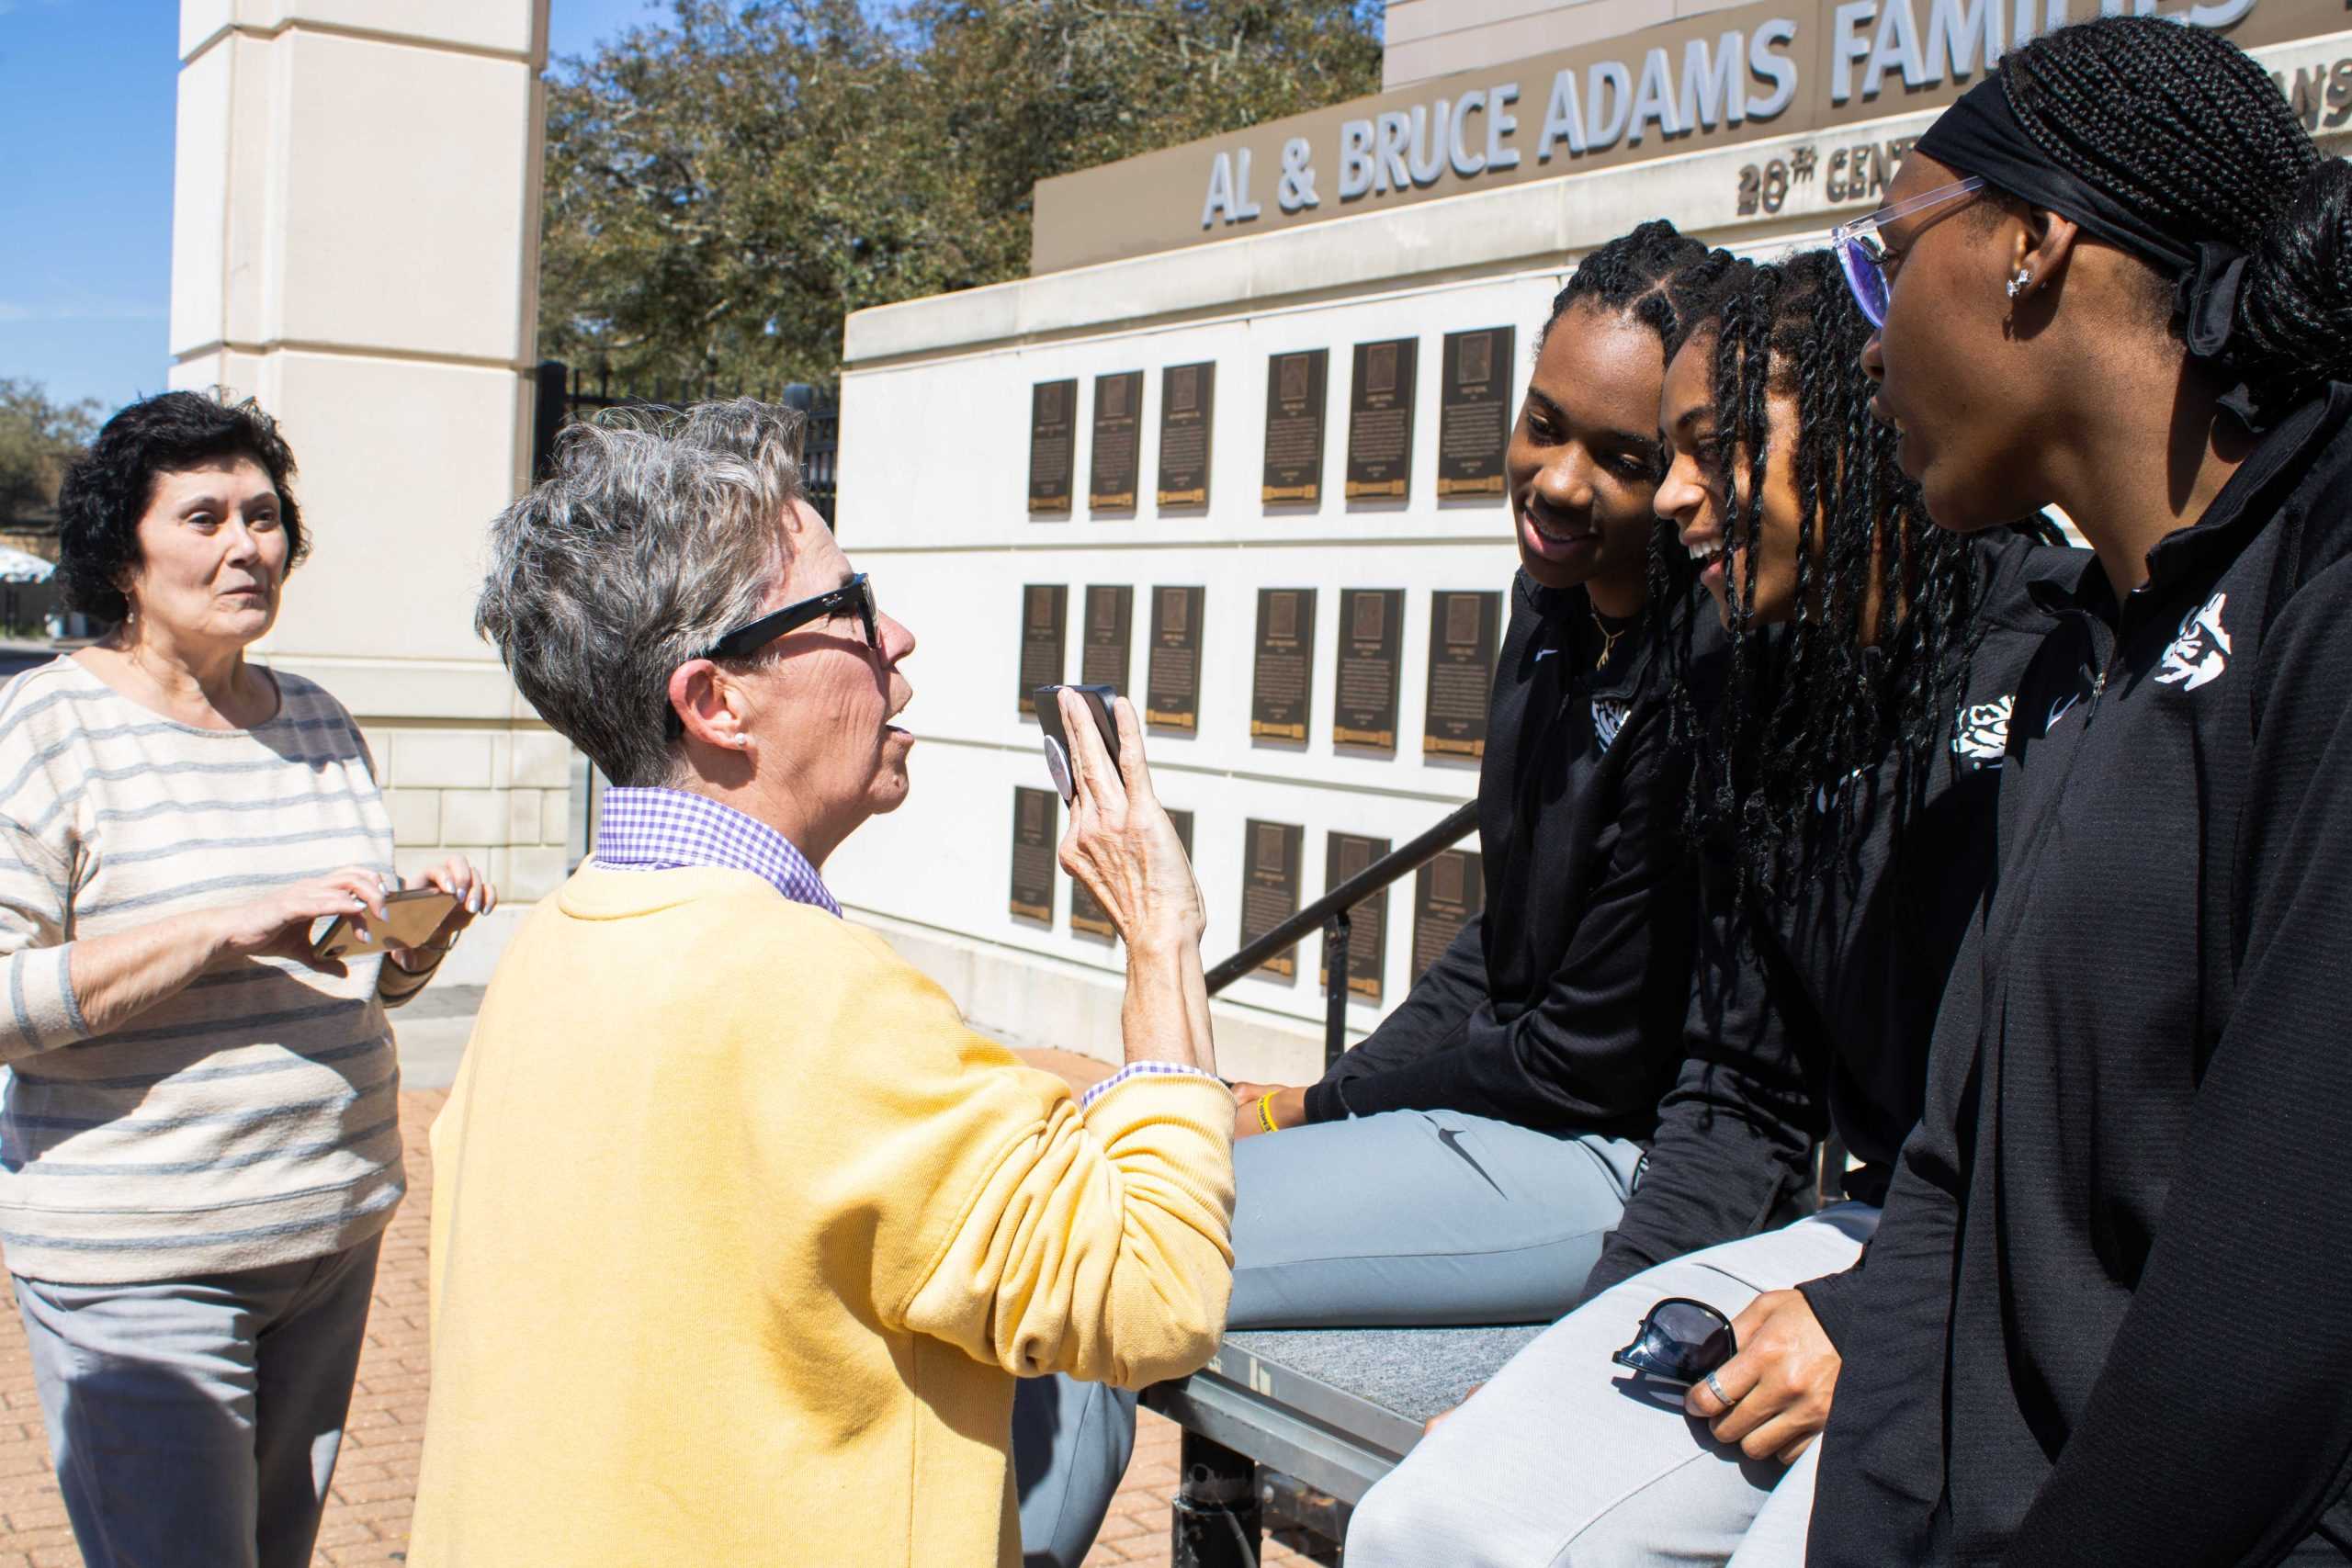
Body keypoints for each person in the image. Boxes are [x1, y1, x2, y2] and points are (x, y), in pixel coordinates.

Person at [1343, 250, 2086, 1566]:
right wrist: (1569, 1362)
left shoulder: (2054, 666)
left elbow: (2080, 1134)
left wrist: (1881, 1312)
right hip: (1859, 1238)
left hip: (2018, 1282)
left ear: (1864, 436)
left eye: (1717, 446)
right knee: (1431, 1519)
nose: (1677, 497)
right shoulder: (1755, 690)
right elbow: (1738, 1096)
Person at [408, 400, 1234, 1568]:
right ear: (714, 702)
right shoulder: (817, 993)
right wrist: (1161, 932)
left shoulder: (559, 936)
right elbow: (1156, 1292)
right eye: (846, 608)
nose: (895, 636)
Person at [1015, 222, 1721, 1567]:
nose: (1560, 482)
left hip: (1614, 1168)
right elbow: (1497, 952)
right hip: (1501, 1121)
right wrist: (1300, 1102)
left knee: (1109, 1248)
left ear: (1685, 462)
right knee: (1093, 1191)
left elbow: (1582, 1056)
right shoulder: (1555, 614)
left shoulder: (1707, 675)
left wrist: (1337, 1105)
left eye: (1624, 458)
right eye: (1543, 424)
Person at [1809, 19, 2352, 1566]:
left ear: (2035, 244)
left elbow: (2274, 1329)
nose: (1867, 338)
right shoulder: (2082, 662)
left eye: (1884, 262)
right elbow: (1949, 1179)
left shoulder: (2323, 606)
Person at [0, 391, 490, 1568]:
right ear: (125, 550)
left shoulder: (319, 721)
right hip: (144, 1265)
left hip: (329, 1231)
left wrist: (410, 946)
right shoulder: (47, 727)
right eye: (206, 516)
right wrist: (223, 925)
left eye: (264, 517)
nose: (246, 546)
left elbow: (341, 975)